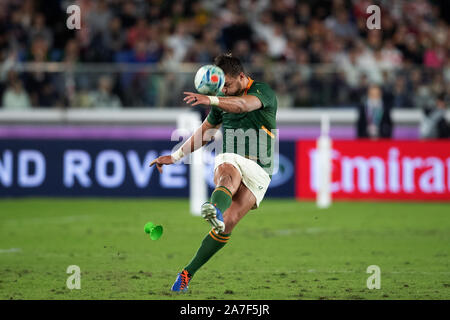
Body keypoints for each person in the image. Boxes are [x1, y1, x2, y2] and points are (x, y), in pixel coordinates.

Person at [150, 53, 277, 292]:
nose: (225, 91)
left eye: (227, 85)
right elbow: (207, 130)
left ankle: (214, 221)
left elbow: (242, 105)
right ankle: (189, 269)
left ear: (241, 76)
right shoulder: (222, 97)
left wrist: (211, 99)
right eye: (222, 87)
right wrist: (176, 156)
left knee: (228, 224)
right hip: (231, 157)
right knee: (228, 171)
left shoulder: (262, 91)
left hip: (261, 169)